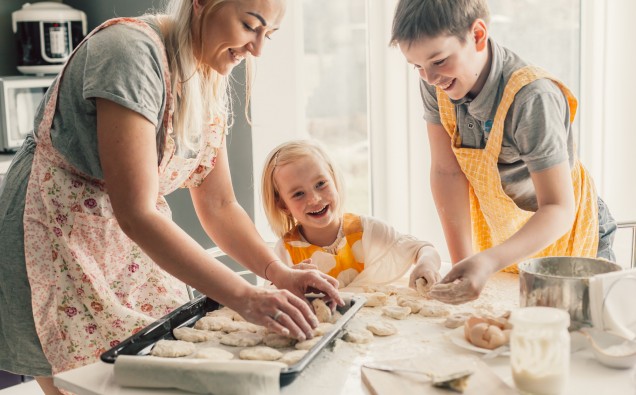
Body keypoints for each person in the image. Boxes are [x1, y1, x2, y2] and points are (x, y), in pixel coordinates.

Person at [0, 1, 344, 393]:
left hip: (128, 246)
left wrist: (276, 273)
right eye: (251, 26)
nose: (258, 49)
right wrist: (244, 297)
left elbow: (219, 204)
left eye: (270, 35)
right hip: (56, 235)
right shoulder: (129, 53)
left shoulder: (206, 74)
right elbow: (137, 213)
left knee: (155, 375)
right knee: (84, 384)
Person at [389, 0, 616, 305]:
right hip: (507, 232)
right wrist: (464, 265)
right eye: (416, 66)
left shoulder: (532, 98)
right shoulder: (437, 83)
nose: (429, 78)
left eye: (439, 61)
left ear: (478, 34)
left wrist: (487, 261)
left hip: (567, 228)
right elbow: (447, 172)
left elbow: (558, 209)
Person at [261, 139, 442, 290]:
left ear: (334, 179)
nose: (314, 199)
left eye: (321, 184)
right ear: (283, 205)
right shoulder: (286, 251)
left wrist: (426, 264)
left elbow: (423, 248)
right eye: (299, 194)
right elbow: (272, 295)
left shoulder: (365, 231)